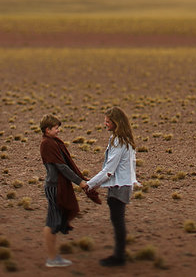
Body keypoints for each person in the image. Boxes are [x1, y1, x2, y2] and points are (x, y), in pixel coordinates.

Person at [85, 106, 139, 267]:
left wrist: (90, 185)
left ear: (116, 122)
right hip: (122, 184)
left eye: (108, 121)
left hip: (120, 186)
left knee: (118, 221)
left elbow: (109, 170)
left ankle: (119, 256)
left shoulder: (118, 141)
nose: (105, 124)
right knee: (117, 220)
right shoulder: (123, 139)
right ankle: (119, 254)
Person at [39, 115, 88, 268]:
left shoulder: (51, 142)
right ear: (48, 130)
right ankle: (52, 258)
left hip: (55, 185)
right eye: (56, 128)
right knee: (51, 223)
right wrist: (79, 181)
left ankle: (53, 256)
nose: (58, 130)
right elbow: (62, 167)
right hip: (54, 187)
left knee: (53, 221)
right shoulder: (48, 144)